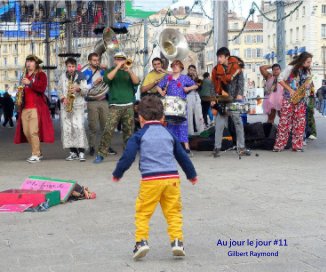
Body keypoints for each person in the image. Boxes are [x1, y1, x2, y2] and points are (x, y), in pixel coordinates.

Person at [112, 96, 198, 260]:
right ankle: (177, 242)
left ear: (140, 118)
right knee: (173, 212)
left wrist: (118, 173)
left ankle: (141, 242)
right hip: (172, 179)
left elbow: (128, 156)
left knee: (143, 212)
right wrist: (191, 175)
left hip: (150, 181)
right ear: (163, 117)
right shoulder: (169, 133)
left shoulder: (139, 135)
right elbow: (182, 156)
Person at [94, 52, 140, 164]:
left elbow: (136, 82)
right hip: (115, 105)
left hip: (128, 105)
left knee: (128, 131)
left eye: (122, 59)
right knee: (108, 130)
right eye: (118, 59)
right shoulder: (110, 70)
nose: (120, 60)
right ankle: (101, 154)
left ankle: (128, 154)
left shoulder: (129, 71)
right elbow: (107, 79)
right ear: (114, 60)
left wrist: (128, 70)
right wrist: (118, 67)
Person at [14, 55, 55, 163]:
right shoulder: (24, 75)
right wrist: (19, 93)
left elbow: (42, 88)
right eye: (27, 61)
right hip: (24, 108)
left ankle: (35, 154)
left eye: (31, 61)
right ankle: (38, 152)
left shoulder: (41, 75)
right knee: (26, 132)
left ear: (35, 64)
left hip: (36, 108)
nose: (28, 63)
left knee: (33, 132)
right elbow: (22, 90)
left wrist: (30, 83)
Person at [211, 47, 250, 157]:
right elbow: (213, 85)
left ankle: (241, 147)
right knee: (219, 124)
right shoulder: (215, 69)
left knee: (238, 122)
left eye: (221, 57)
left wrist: (240, 93)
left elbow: (241, 81)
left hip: (233, 99)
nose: (219, 59)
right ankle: (217, 148)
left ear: (226, 57)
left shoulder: (237, 66)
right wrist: (213, 98)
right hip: (222, 99)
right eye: (218, 57)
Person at [273, 52, 314, 152]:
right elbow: (280, 79)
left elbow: (308, 83)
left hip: (301, 100)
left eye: (310, 62)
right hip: (288, 99)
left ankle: (297, 146)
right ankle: (279, 146)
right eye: (308, 62)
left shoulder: (307, 71)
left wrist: (308, 87)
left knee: (300, 123)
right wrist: (290, 90)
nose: (310, 64)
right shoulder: (290, 68)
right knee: (284, 122)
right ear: (302, 61)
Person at [156, 60, 198, 156]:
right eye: (173, 66)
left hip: (181, 105)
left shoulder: (184, 78)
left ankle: (187, 148)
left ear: (181, 68)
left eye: (177, 66)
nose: (175, 67)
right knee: (171, 126)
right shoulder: (168, 77)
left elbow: (195, 85)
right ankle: (171, 149)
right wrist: (161, 92)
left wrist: (188, 89)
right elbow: (158, 86)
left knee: (183, 125)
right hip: (170, 105)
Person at [83, 52, 117, 156]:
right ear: (89, 61)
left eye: (98, 60)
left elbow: (111, 78)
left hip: (104, 101)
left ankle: (106, 146)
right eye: (94, 60)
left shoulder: (103, 71)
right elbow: (83, 88)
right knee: (93, 126)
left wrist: (107, 69)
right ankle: (92, 146)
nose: (96, 62)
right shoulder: (85, 72)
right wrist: (94, 83)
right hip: (92, 101)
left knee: (106, 125)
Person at [58, 57, 89, 161]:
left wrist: (78, 88)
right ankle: (73, 152)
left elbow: (85, 91)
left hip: (78, 106)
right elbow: (59, 90)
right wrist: (63, 98)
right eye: (69, 66)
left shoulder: (81, 76)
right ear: (66, 67)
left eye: (72, 66)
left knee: (78, 127)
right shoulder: (62, 76)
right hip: (66, 106)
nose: (71, 68)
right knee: (67, 128)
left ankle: (81, 152)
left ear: (75, 67)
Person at [186, 65, 205, 135]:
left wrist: (196, 79)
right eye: (190, 69)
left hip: (196, 96)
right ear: (188, 70)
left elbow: (200, 88)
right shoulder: (185, 78)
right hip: (188, 97)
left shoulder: (198, 78)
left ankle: (201, 131)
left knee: (199, 114)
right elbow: (185, 88)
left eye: (193, 70)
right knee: (189, 115)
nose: (192, 71)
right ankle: (190, 132)